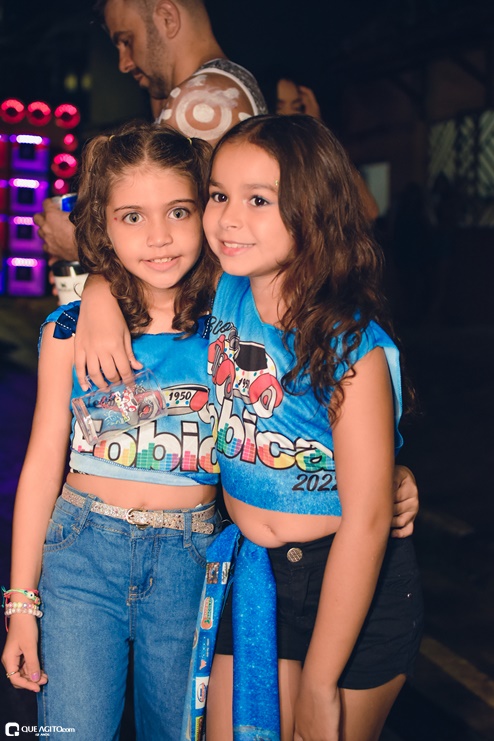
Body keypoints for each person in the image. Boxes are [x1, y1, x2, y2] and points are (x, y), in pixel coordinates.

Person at [179, 114, 423, 741]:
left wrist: (320, 683)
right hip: (255, 574)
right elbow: (134, 265)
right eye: (219, 196)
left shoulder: (350, 348)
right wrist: (99, 297)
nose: (229, 219)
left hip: (350, 587)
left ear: (314, 210)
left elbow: (368, 521)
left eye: (259, 200)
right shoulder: (222, 289)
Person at [1, 121, 223, 740]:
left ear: (206, 211)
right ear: (102, 224)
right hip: (80, 555)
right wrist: (20, 606)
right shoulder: (68, 332)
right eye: (132, 217)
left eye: (178, 211)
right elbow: (42, 466)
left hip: (192, 562)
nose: (159, 236)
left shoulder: (235, 327)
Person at [33, 0, 267, 264]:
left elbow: (175, 255)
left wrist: (78, 244)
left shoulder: (199, 101)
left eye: (127, 41)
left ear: (167, 18)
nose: (123, 63)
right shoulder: (224, 83)